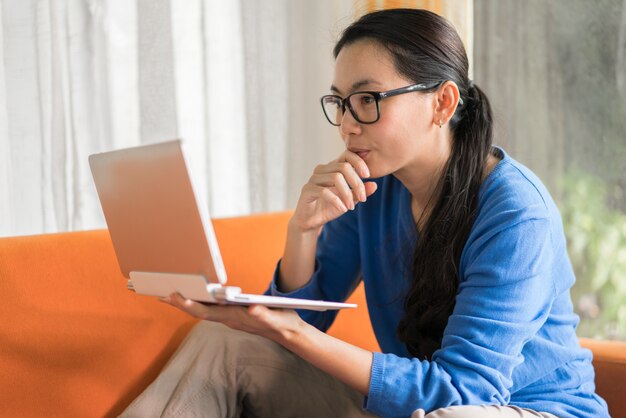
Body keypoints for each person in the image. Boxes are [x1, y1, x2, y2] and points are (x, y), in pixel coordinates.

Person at [121, 8, 610, 418]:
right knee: (222, 345)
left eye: (368, 99)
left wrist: (287, 328)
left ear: (441, 102)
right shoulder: (373, 188)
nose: (348, 125)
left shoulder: (516, 213)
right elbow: (293, 335)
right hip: (415, 409)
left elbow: (466, 392)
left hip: (523, 410)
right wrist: (303, 231)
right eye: (340, 103)